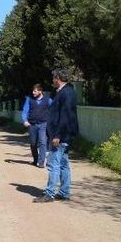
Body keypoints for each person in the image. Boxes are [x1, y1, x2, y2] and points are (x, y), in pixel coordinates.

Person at [34, 69, 79, 203]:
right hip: (65, 134)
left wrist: (57, 135)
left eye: (53, 78)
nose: (52, 80)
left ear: (58, 78)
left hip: (60, 135)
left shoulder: (65, 93)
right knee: (64, 164)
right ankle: (64, 192)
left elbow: (65, 116)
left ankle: (49, 194)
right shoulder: (66, 91)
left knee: (53, 164)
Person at [21, 84, 51, 167]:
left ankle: (41, 162)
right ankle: (35, 159)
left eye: (35, 91)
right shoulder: (29, 99)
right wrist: (25, 120)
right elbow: (25, 111)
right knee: (33, 143)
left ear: (40, 91)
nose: (33, 92)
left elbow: (54, 109)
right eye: (33, 91)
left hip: (43, 124)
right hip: (32, 125)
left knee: (43, 142)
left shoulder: (48, 100)